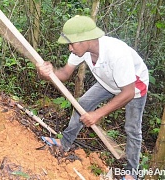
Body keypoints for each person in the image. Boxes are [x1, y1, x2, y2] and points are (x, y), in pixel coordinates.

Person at [36, 15, 149, 180]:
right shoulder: (82, 50)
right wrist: (48, 73)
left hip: (134, 87)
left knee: (132, 129)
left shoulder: (116, 53)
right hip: (108, 82)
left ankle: (132, 172)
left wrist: (98, 114)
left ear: (85, 39)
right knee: (82, 104)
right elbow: (65, 74)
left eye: (71, 44)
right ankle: (65, 142)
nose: (70, 48)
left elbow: (128, 93)